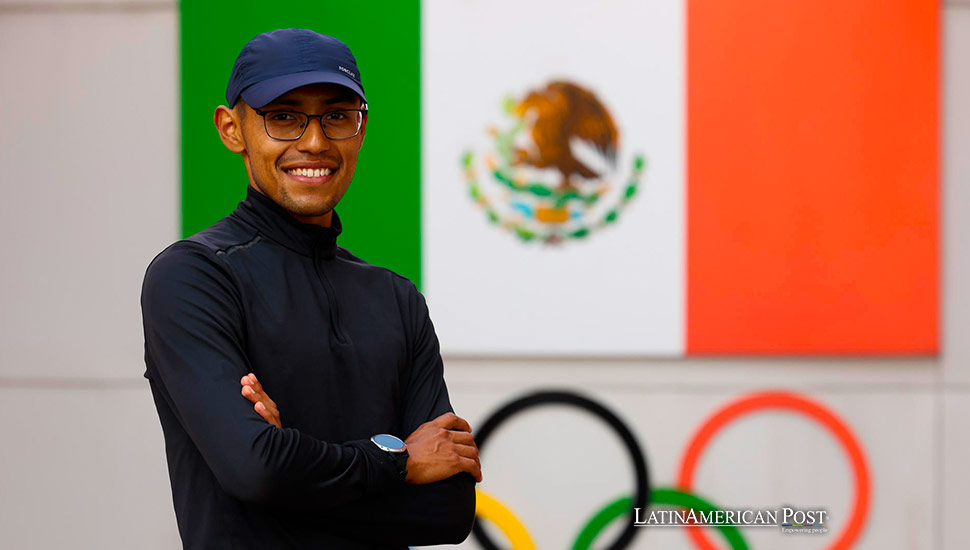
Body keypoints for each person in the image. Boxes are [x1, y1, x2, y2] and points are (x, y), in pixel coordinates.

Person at [140, 28, 481, 549]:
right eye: (283, 117)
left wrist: (289, 469)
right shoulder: (193, 277)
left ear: (361, 130)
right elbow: (254, 471)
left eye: (338, 117)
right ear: (232, 129)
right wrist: (399, 460)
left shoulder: (397, 299)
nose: (315, 142)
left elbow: (448, 511)